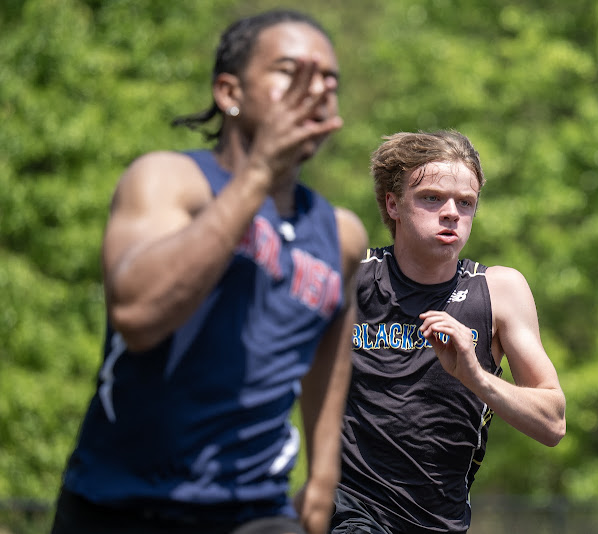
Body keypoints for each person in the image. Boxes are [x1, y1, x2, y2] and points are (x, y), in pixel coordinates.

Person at [50, 9, 367, 534]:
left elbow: (332, 349)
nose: (316, 91)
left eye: (329, 80)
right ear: (229, 92)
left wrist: (325, 470)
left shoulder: (341, 235)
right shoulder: (170, 180)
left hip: (255, 511)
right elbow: (137, 312)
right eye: (291, 72)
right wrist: (260, 174)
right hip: (122, 504)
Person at [329, 130, 566, 534]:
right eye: (432, 198)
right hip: (350, 513)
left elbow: (552, 423)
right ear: (393, 204)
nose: (452, 212)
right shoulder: (350, 278)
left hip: (442, 522)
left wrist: (475, 376)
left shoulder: (499, 291)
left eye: (466, 202)